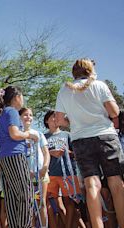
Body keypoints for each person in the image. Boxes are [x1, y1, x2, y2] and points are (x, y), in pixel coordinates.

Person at [55, 58, 124, 228]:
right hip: (106, 136)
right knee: (116, 182)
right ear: (90, 70)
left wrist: (76, 121)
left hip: (80, 139)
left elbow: (59, 120)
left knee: (91, 184)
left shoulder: (65, 90)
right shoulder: (99, 85)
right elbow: (114, 112)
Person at [0, 86, 38, 228]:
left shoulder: (4, 113)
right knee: (26, 193)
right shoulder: (12, 111)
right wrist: (29, 135)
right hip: (15, 157)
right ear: (17, 97)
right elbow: (15, 134)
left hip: (5, 158)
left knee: (12, 197)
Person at [43, 110, 84, 228]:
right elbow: (40, 155)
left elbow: (77, 153)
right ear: (46, 120)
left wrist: (66, 152)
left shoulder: (67, 135)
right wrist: (51, 152)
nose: (55, 119)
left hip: (68, 174)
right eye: (52, 117)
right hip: (50, 175)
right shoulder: (43, 137)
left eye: (57, 117)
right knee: (51, 204)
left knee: (70, 202)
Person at [19, 107, 50, 227]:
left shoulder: (39, 134)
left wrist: (45, 168)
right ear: (20, 117)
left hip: (41, 173)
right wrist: (26, 171)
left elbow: (46, 153)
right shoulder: (18, 135)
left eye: (31, 115)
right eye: (25, 115)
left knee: (41, 202)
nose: (28, 117)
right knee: (29, 204)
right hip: (26, 175)